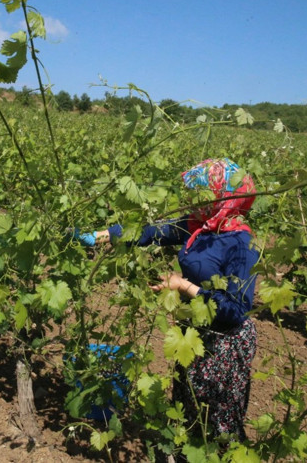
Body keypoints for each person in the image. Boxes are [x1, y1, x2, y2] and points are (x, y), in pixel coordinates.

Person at [82, 158, 259, 446]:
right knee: (188, 410)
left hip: (224, 344)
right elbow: (150, 232)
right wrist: (102, 236)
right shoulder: (199, 225)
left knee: (219, 424)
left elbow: (236, 310)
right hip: (194, 330)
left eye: (201, 195)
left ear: (222, 196)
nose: (191, 201)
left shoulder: (242, 245)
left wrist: (183, 286)